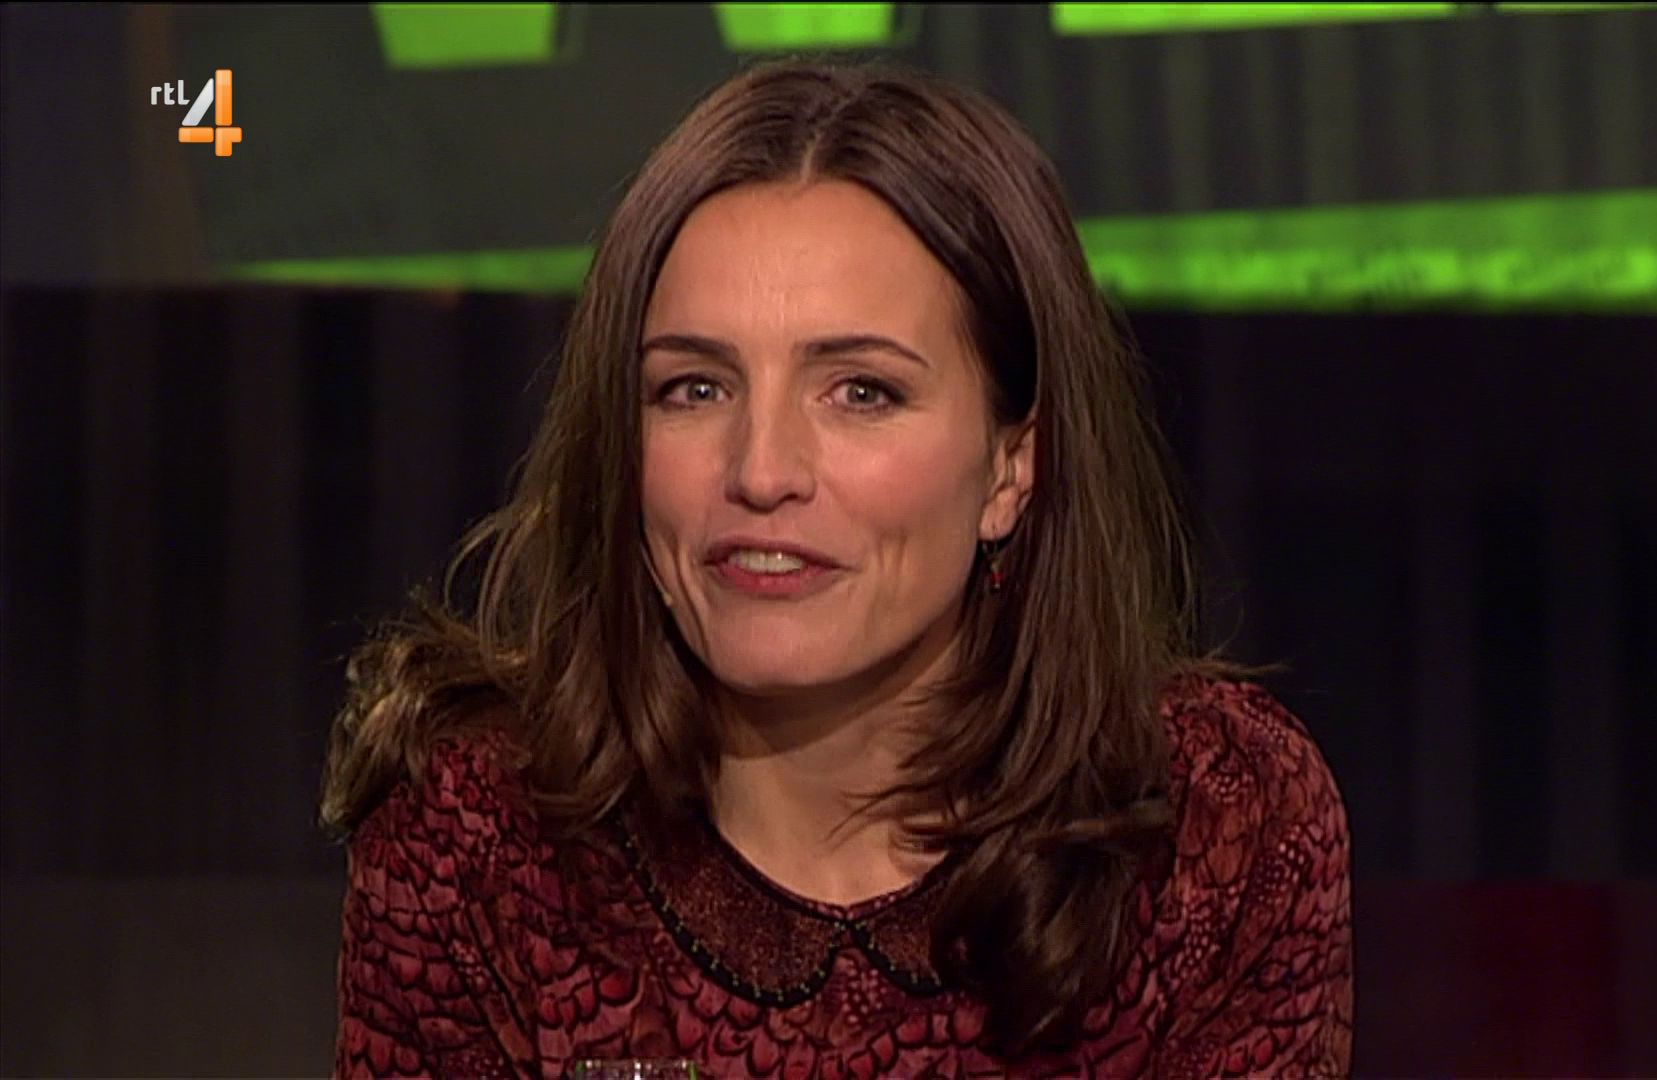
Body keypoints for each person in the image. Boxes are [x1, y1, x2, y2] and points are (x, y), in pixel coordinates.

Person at [322, 56, 1352, 1079]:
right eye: (694, 389)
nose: (761, 471)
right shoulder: (477, 840)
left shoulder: (1216, 821)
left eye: (861, 391)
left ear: (1011, 465)